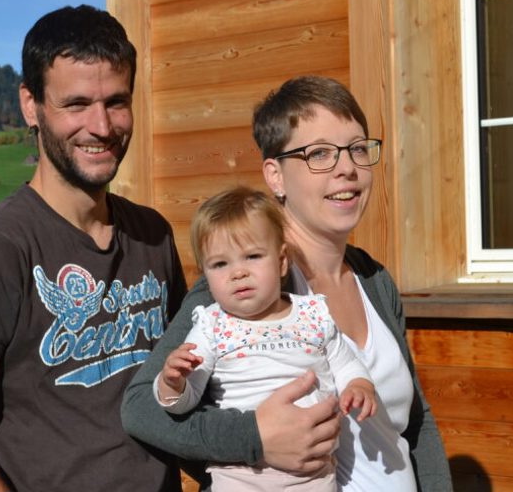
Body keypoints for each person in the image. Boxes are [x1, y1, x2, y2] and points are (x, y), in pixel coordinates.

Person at [121, 75, 453, 491]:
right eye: (319, 154)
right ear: (275, 176)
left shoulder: (374, 280)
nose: (347, 168)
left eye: (357, 148)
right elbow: (141, 410)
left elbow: (416, 424)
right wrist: (254, 439)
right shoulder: (241, 288)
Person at [0, 5, 187, 491]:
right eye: (76, 104)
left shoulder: (153, 236)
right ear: (30, 105)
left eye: (116, 102)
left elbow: (185, 389)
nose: (101, 126)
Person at [155, 186, 377, 491]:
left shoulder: (312, 314)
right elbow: (183, 402)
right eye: (220, 264)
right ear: (204, 273)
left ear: (282, 261)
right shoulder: (211, 326)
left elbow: (346, 362)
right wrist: (173, 382)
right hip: (241, 475)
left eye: (252, 256)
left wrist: (359, 385)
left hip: (313, 474)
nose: (238, 272)